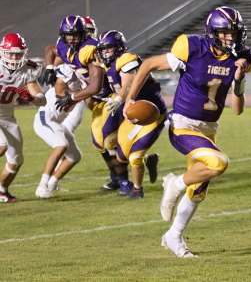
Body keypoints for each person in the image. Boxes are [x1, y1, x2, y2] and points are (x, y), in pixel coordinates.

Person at [124, 6, 251, 257]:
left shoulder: (242, 58)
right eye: (225, 32)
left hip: (209, 129)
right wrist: (130, 99)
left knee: (198, 190)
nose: (231, 37)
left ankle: (173, 236)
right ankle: (174, 183)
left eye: (234, 32)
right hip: (183, 124)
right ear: (212, 33)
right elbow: (149, 64)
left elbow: (237, 109)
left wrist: (238, 79)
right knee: (218, 163)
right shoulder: (192, 46)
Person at [34, 15, 101, 198]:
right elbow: (51, 50)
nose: (71, 38)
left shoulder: (89, 50)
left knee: (74, 156)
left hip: (87, 91)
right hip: (49, 116)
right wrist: (48, 69)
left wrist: (73, 96)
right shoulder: (65, 60)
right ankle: (42, 185)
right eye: (67, 35)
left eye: (75, 34)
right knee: (61, 144)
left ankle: (52, 183)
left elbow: (95, 86)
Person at [95, 30, 166, 199]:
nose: (105, 53)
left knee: (134, 156)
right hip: (133, 114)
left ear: (119, 48)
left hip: (151, 112)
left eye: (109, 49)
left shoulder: (127, 59)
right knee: (122, 154)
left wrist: (119, 99)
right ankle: (149, 159)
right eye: (103, 50)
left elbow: (129, 82)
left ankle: (137, 189)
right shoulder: (108, 65)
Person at [0, 33, 46, 202]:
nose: (14, 57)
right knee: (2, 146)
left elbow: (42, 101)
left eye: (18, 53)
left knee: (16, 159)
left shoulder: (29, 69)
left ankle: (1, 191)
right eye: (10, 53)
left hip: (7, 115)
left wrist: (31, 97)